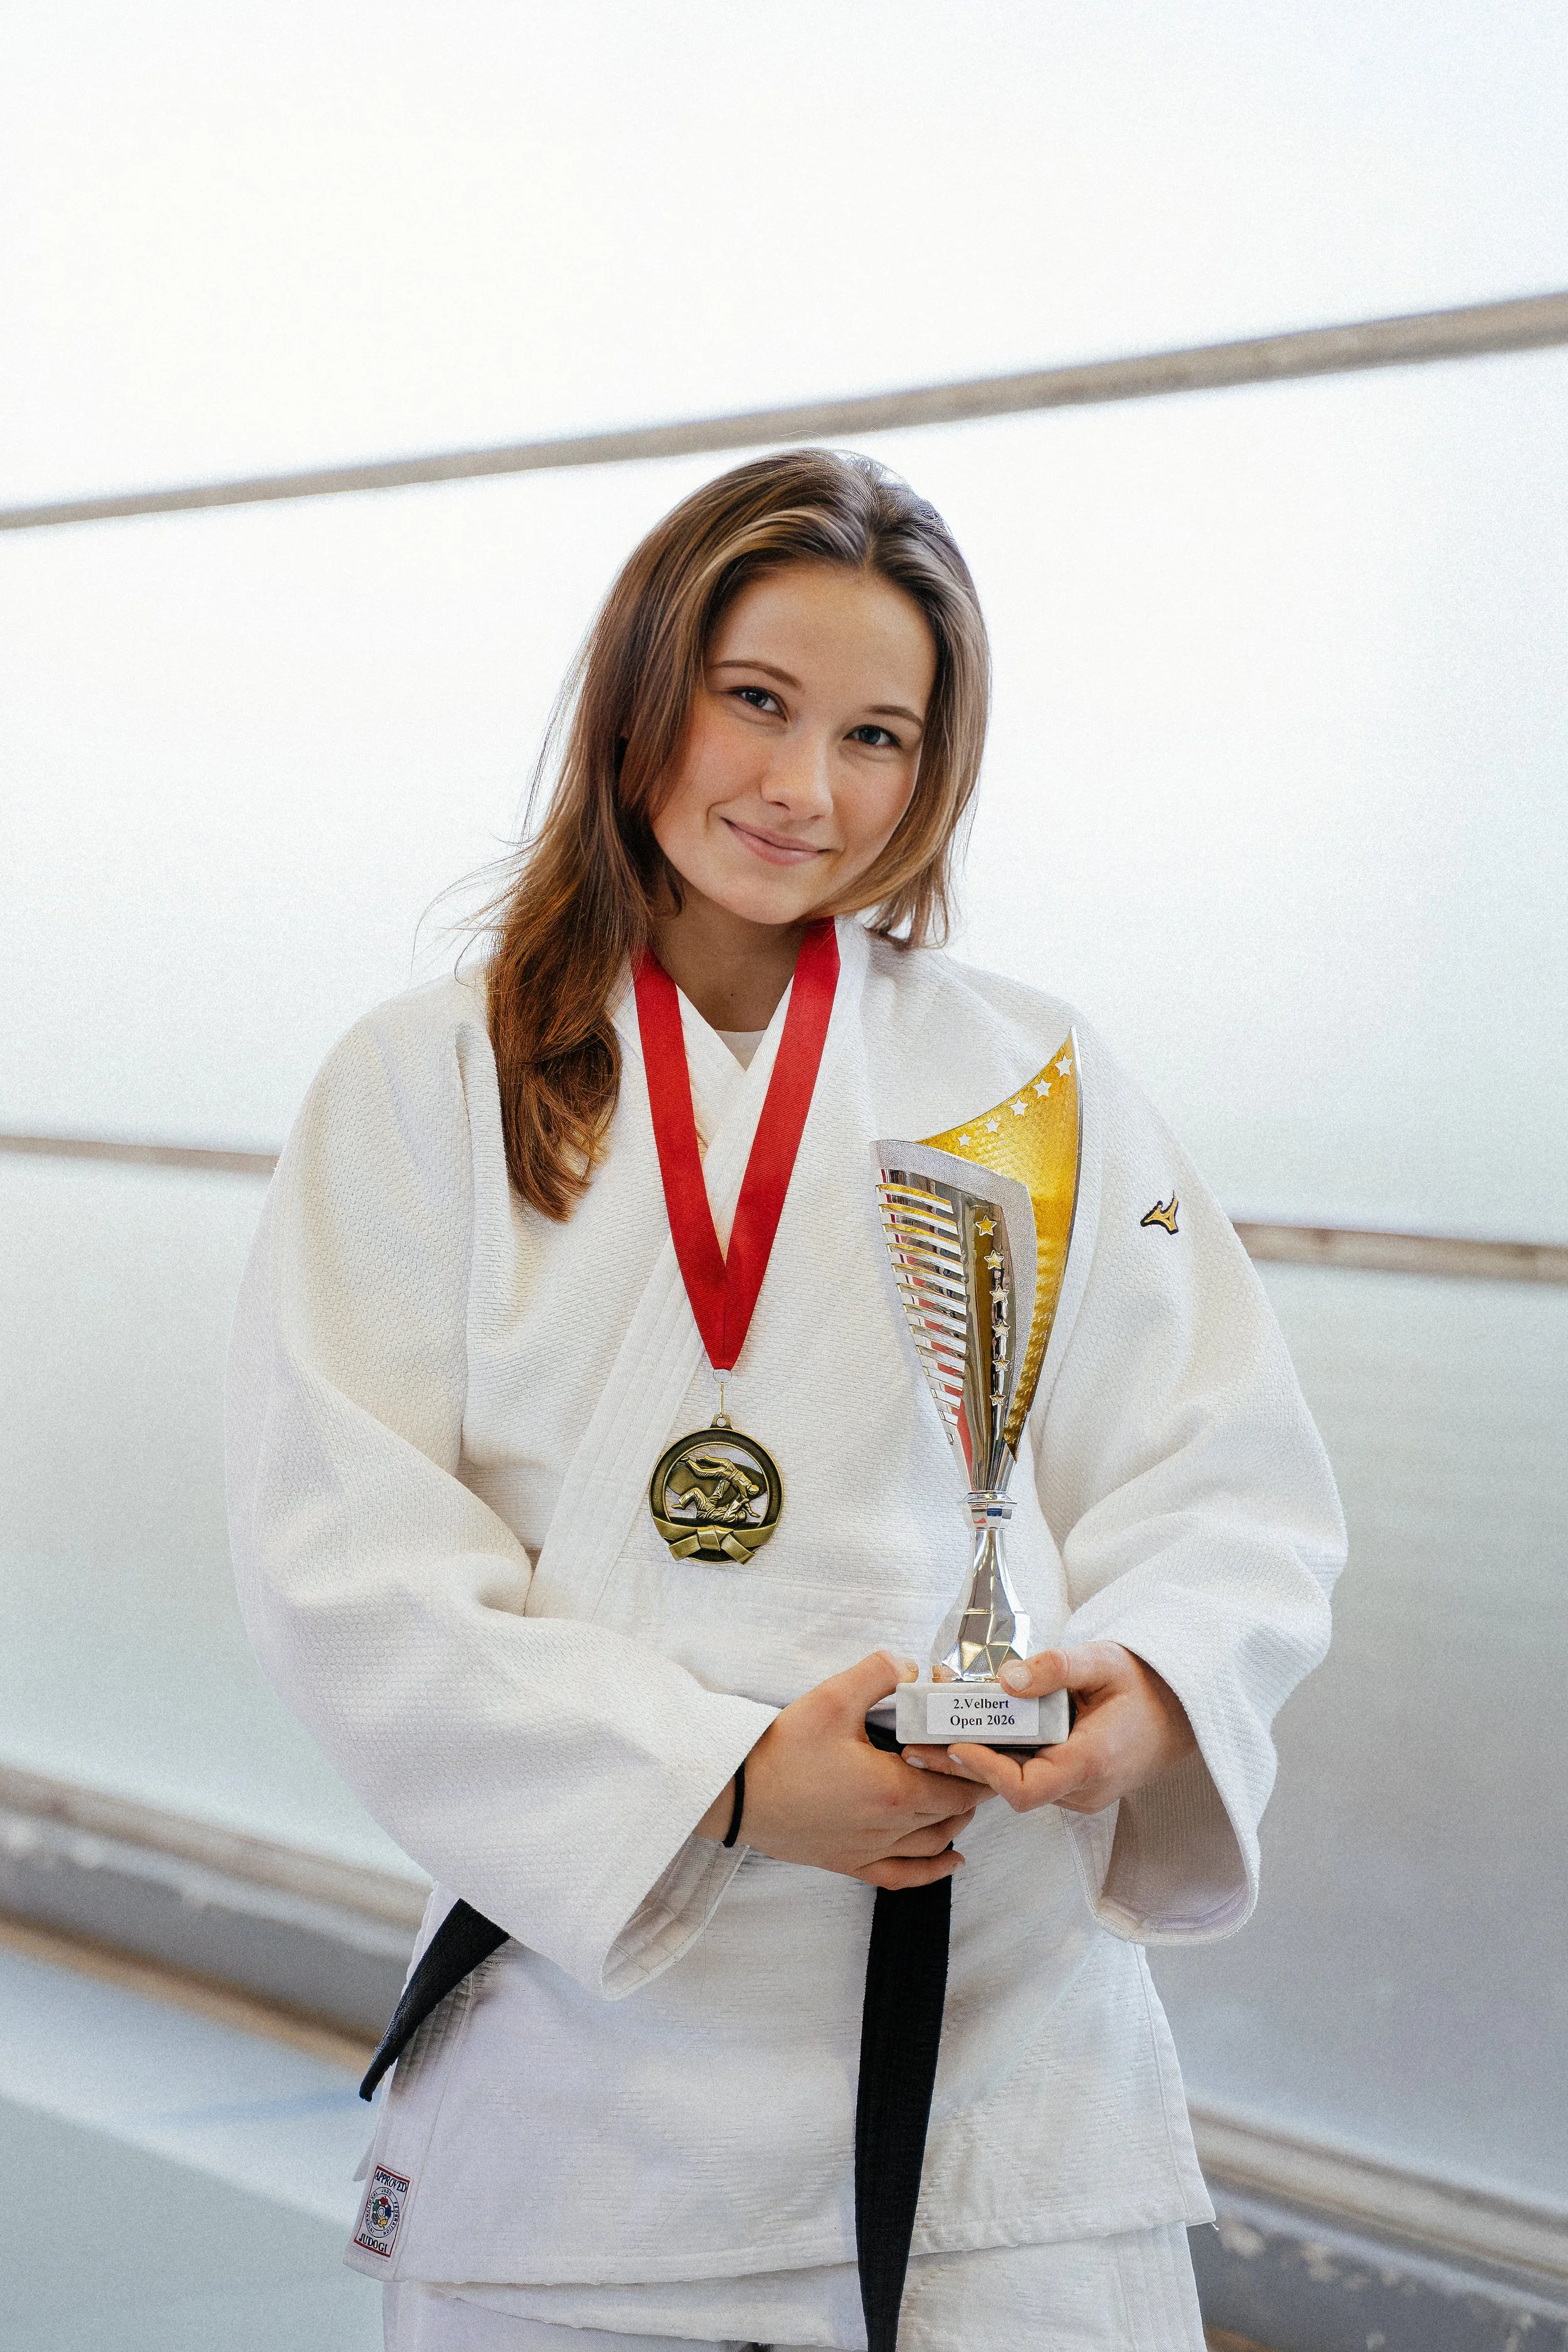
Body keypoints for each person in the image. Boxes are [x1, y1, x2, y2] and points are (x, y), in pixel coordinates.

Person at [226, 449, 1345, 2352]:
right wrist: (734, 1780)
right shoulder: (421, 1086)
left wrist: (1143, 1685)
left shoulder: (1039, 1074)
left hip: (998, 2061)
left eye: (878, 735)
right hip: (590, 2074)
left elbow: (1224, 1469)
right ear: (641, 690)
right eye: (754, 700)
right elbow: (348, 1566)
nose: (802, 789)